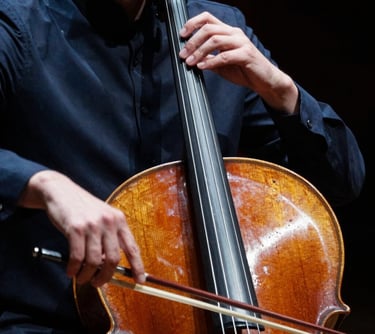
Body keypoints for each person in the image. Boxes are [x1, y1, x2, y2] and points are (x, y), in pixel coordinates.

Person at [0, 0, 365, 333]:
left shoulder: (216, 30)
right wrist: (41, 184)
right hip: (51, 321)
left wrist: (282, 91)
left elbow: (342, 182)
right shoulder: (19, 23)